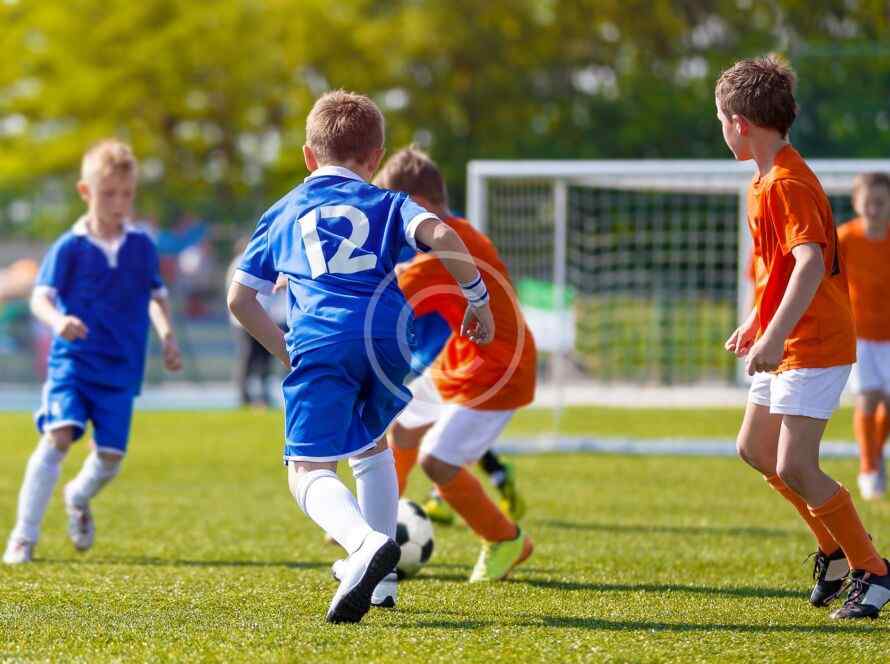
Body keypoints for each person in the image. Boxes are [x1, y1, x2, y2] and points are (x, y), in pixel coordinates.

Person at [227, 90, 495, 623]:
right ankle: (383, 586)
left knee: (306, 469)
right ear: (375, 158)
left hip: (324, 338)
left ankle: (362, 544)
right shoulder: (388, 202)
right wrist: (478, 299)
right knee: (371, 447)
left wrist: (283, 349)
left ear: (309, 156)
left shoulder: (284, 210)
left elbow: (239, 299)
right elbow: (441, 233)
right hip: (388, 342)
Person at [718, 55, 890, 620]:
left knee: (795, 464)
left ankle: (874, 570)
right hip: (788, 338)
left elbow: (810, 263)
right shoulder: (762, 181)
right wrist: (757, 321)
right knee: (755, 449)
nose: (722, 131)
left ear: (741, 123)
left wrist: (774, 337)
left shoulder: (788, 182)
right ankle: (834, 549)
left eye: (721, 121)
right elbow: (778, 270)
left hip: (815, 341)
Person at [3, 139, 182, 565]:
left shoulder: (141, 246)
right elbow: (40, 298)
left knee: (110, 458)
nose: (119, 203)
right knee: (58, 436)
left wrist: (167, 336)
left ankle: (78, 496)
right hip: (74, 363)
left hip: (121, 370)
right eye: (108, 194)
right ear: (86, 192)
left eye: (126, 194)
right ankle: (23, 537)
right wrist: (58, 321)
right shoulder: (70, 246)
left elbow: (156, 297)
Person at [374, 147, 536, 583]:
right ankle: (378, 522)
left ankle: (505, 539)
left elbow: (387, 293)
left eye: (395, 214)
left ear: (418, 205)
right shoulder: (455, 236)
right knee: (403, 427)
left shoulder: (445, 251)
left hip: (499, 372)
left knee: (437, 463)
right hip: (463, 359)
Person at [838, 173, 890, 500]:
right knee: (868, 397)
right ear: (857, 203)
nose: (874, 209)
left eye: (880, 202)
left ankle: (876, 450)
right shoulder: (845, 238)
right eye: (868, 202)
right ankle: (869, 467)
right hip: (859, 334)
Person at [226, 237, 288, 408]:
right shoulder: (242, 263)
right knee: (248, 357)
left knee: (263, 359)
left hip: (264, 315)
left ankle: (262, 394)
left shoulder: (260, 261)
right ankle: (244, 395)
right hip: (247, 318)